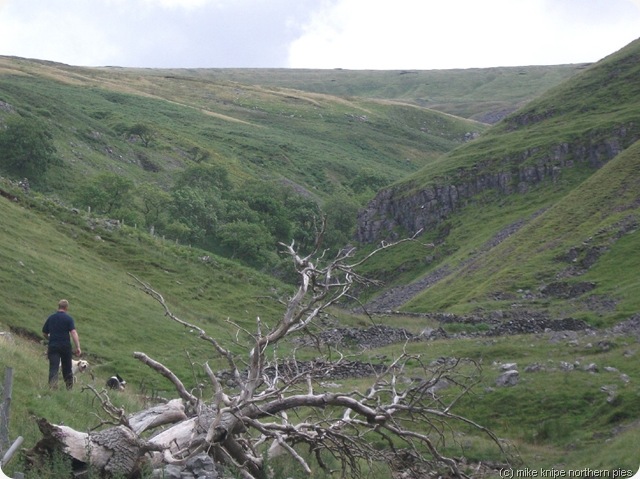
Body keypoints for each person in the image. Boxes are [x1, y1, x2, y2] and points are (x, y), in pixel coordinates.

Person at [42, 299, 82, 389]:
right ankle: (69, 388)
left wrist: (50, 339)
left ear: (58, 306)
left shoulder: (51, 318)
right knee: (67, 368)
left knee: (54, 367)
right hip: (65, 347)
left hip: (53, 346)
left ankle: (52, 387)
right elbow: (73, 333)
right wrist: (78, 347)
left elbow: (44, 332)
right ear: (66, 308)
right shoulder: (68, 319)